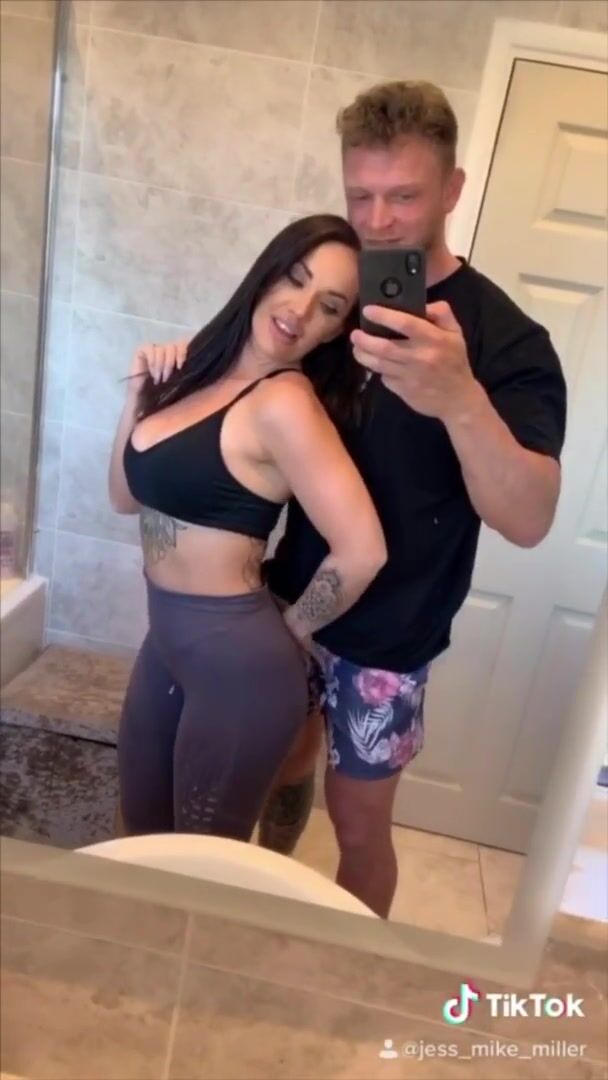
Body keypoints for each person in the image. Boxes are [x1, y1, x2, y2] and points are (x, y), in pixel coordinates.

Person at [142, 81, 567, 917]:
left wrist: (459, 399)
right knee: (279, 769)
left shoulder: (507, 341)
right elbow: (247, 376)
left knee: (361, 823)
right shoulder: (336, 307)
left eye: (403, 196)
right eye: (359, 196)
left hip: (392, 636)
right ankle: (270, 906)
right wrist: (177, 362)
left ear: (452, 188)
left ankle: (349, 963)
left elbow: (529, 518)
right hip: (287, 602)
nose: (377, 221)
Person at [108, 214, 387, 843]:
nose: (300, 310)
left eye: (329, 306)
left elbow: (363, 551)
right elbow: (124, 497)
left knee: (200, 864)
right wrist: (138, 397)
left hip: (241, 669)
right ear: (268, 273)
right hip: (166, 644)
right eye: (296, 278)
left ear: (336, 329)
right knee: (140, 838)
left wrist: (291, 633)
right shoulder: (199, 373)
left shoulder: (285, 403)